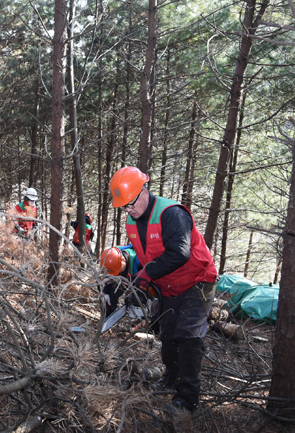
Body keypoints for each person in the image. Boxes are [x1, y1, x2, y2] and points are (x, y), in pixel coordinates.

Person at [109, 166, 218, 418]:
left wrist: (147, 275)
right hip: (168, 284)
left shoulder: (171, 213)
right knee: (167, 335)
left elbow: (179, 253)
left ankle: (187, 399)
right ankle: (170, 377)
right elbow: (144, 253)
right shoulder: (131, 221)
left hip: (196, 280)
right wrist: (132, 275)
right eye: (124, 206)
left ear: (143, 191)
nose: (129, 210)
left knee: (189, 335)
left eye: (131, 204)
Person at [100, 245, 141, 314]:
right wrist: (106, 292)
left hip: (134, 278)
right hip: (125, 275)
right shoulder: (112, 254)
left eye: (118, 270)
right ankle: (107, 316)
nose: (117, 273)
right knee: (111, 296)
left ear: (123, 260)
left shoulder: (139, 261)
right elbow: (109, 275)